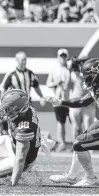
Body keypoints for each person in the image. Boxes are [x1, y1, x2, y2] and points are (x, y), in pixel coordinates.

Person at [46, 58, 99, 186]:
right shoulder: (96, 88)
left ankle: (90, 178)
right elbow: (82, 101)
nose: (86, 80)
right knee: (80, 140)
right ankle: (72, 176)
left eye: (89, 77)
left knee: (79, 143)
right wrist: (61, 102)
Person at [46, 48, 71, 152]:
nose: (63, 58)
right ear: (58, 57)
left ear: (67, 57)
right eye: (61, 56)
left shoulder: (70, 70)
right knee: (60, 122)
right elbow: (48, 83)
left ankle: (77, 143)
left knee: (74, 122)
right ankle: (62, 143)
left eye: (65, 56)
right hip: (58, 99)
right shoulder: (54, 70)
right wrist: (56, 83)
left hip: (70, 99)